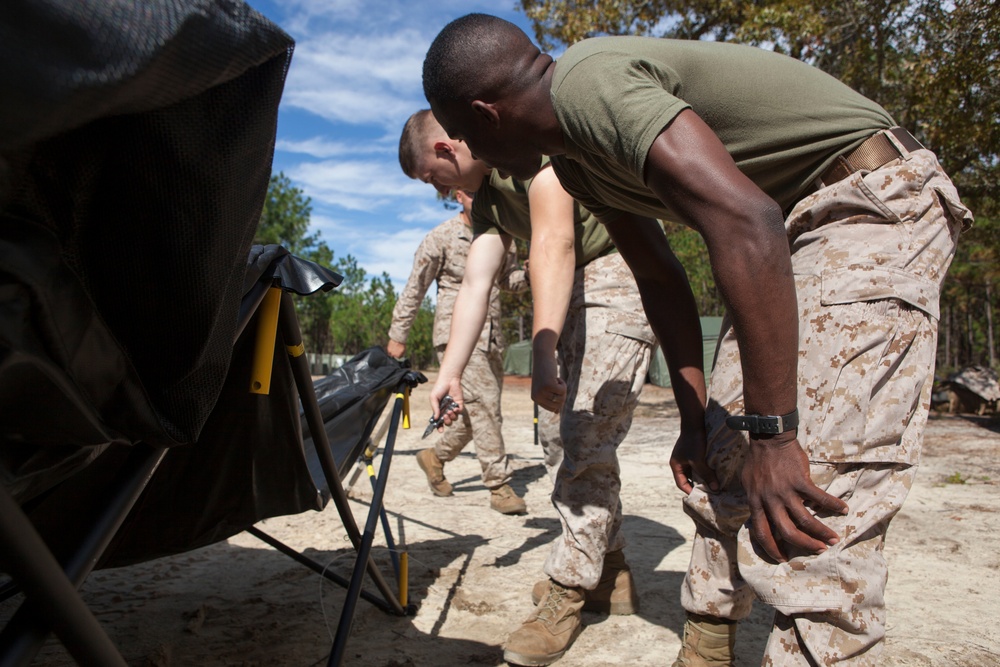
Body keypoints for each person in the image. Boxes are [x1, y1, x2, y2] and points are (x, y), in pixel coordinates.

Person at [422, 14, 973, 667]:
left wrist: (776, 433)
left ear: (485, 114)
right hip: (789, 230)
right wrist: (691, 418)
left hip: (869, 199)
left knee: (813, 481)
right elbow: (660, 275)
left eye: (458, 131)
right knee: (722, 451)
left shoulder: (589, 83)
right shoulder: (578, 166)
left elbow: (745, 218)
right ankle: (708, 644)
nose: (464, 148)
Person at [400, 109, 706, 666]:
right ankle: (608, 575)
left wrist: (541, 351)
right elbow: (476, 280)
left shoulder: (525, 153)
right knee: (560, 440)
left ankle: (567, 592)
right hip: (569, 291)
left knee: (586, 430)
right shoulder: (489, 199)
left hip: (618, 269)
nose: (437, 191)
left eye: (430, 177)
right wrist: (448, 372)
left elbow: (557, 243)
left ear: (446, 150)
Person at [387, 188, 529, 515]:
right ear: (457, 194)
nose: (475, 197)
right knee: (485, 408)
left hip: (492, 337)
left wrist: (531, 274)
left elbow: (509, 281)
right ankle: (499, 485)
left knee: (477, 413)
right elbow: (415, 287)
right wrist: (399, 334)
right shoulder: (442, 236)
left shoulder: (501, 233)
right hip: (455, 336)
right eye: (468, 192)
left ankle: (434, 457)